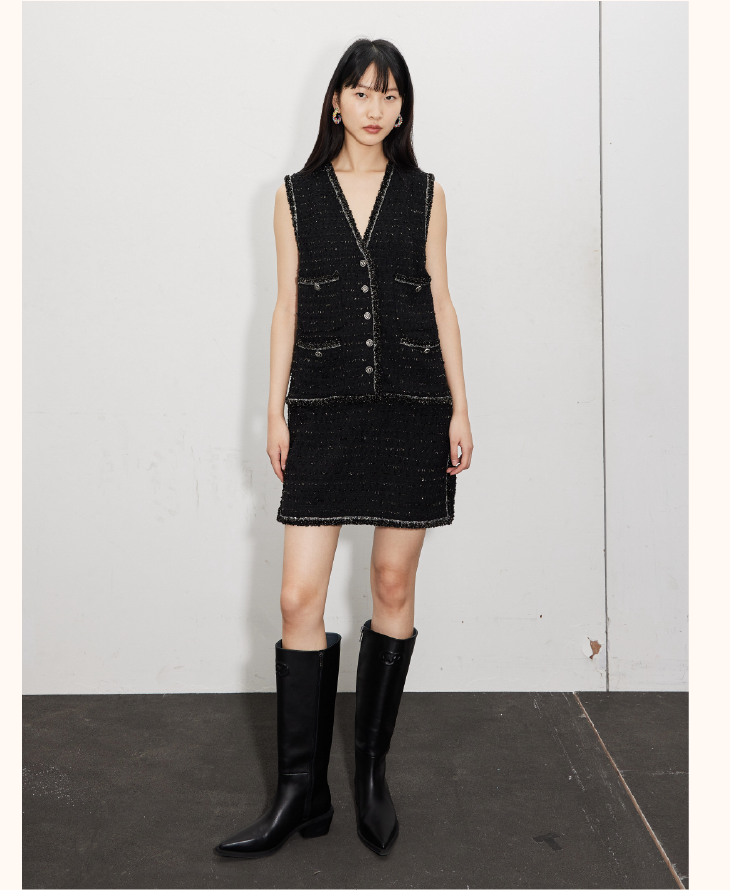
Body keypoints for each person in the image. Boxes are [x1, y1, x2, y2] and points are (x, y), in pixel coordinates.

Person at [215, 38, 473, 860]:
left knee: (392, 582)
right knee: (299, 597)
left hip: (412, 407)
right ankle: (301, 792)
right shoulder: (294, 196)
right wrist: (274, 411)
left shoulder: (425, 194)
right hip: (323, 411)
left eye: (389, 95)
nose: (375, 107)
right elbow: (285, 307)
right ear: (336, 101)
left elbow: (442, 303)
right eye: (361, 92)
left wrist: (460, 410)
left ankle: (368, 775)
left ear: (402, 109)